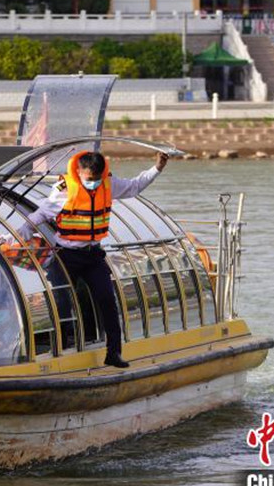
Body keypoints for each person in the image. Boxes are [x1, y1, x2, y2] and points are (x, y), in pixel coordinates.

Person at [16, 150, 169, 368]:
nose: (94, 183)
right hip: (67, 254)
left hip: (93, 255)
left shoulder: (108, 184)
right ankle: (61, 345)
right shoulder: (63, 190)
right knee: (61, 299)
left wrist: (157, 168)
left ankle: (113, 352)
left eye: (97, 179)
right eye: (89, 179)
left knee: (108, 300)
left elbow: (134, 186)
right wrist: (25, 229)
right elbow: (42, 214)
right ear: (78, 172)